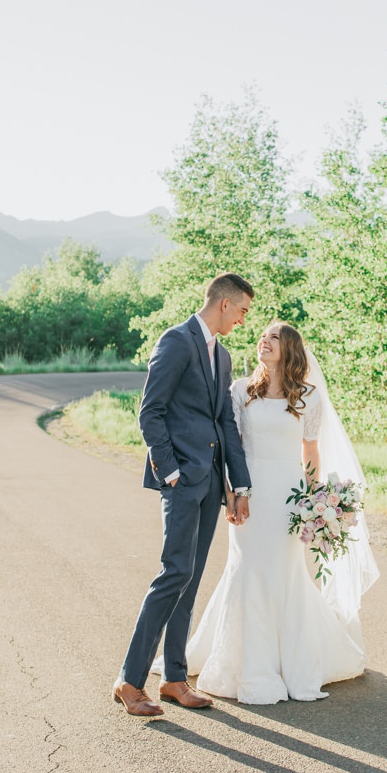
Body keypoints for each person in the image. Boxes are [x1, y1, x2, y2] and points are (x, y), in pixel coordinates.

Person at [158, 319, 378, 704]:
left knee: (285, 573)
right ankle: (245, 663)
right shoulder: (241, 391)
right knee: (246, 569)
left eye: (274, 337)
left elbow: (311, 451)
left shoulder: (309, 397)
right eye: (263, 335)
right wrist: (230, 491)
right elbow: (232, 446)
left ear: (289, 349)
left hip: (289, 497)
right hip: (250, 491)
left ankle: (291, 661)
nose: (264, 340)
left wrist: (314, 501)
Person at [114, 273, 255, 716]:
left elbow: (224, 424)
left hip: (211, 482)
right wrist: (169, 472)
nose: (244, 319)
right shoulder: (175, 341)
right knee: (172, 574)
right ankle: (130, 680)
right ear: (225, 304)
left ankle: (174, 679)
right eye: (243, 310)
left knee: (190, 579)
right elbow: (150, 411)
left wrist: (238, 485)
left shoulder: (224, 355)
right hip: (180, 480)